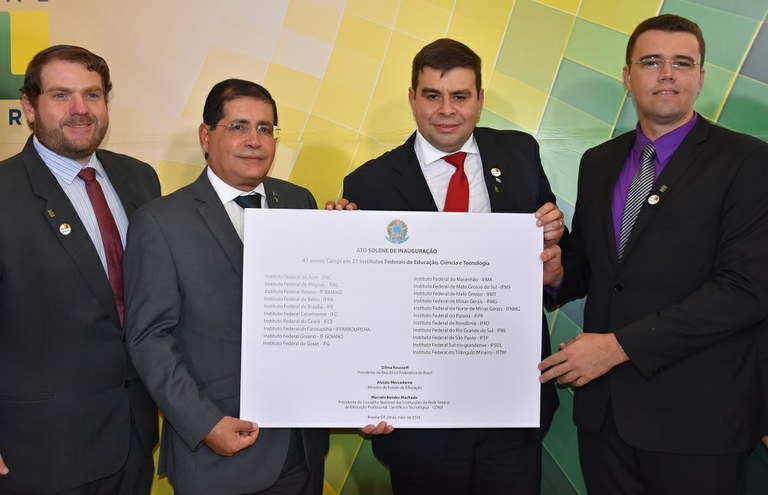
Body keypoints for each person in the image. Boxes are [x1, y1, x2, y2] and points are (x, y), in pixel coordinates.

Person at [538, 14, 768, 495]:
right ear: (627, 75)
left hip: (699, 423)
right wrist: (558, 270)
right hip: (604, 420)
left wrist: (616, 347)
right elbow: (596, 265)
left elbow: (746, 290)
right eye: (651, 61)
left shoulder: (748, 162)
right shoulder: (598, 161)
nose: (667, 74)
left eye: (682, 62)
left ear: (701, 77)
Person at [340, 38, 563, 495]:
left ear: (479, 100)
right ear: (412, 98)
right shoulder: (369, 182)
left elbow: (565, 266)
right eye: (432, 95)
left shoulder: (519, 155)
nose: (447, 110)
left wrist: (556, 267)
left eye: (460, 96)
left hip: (509, 410)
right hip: (418, 424)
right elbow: (360, 306)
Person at [123, 79, 329, 495]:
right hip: (220, 453)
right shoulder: (161, 222)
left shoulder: (300, 202)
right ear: (206, 136)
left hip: (302, 450)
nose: (255, 140)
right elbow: (149, 339)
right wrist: (204, 424)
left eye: (266, 128)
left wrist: (352, 240)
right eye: (238, 127)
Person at [0, 45, 160, 494]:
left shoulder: (141, 179)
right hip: (38, 451)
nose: (79, 110)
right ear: (29, 107)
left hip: (134, 438)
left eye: (92, 95)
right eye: (60, 95)